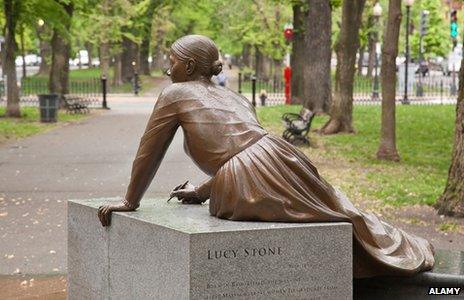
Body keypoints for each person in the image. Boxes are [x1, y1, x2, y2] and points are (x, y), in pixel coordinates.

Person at [97, 35, 434, 278]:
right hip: (284, 155)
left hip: (253, 172)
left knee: (333, 214)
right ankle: (391, 248)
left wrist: (130, 200)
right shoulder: (237, 98)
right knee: (338, 208)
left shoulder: (174, 93)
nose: (168, 69)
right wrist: (201, 192)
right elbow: (243, 153)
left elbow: (149, 151)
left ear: (187, 65)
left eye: (171, 61)